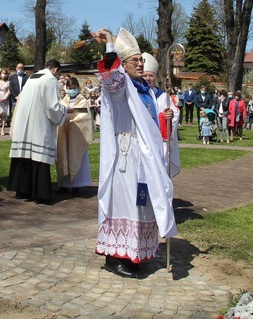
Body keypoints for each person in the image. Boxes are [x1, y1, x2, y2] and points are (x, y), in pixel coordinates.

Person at [94, 28, 176, 279]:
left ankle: (136, 253)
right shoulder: (120, 87)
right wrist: (109, 45)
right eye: (135, 60)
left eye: (141, 59)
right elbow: (110, 75)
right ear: (123, 64)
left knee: (143, 205)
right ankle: (115, 257)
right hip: (127, 156)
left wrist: (167, 117)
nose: (140, 63)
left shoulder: (147, 89)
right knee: (126, 203)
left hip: (146, 157)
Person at [7, 59, 67, 204]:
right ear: (55, 70)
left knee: (25, 156)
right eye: (59, 73)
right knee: (39, 157)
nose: (58, 76)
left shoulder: (33, 77)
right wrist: (64, 110)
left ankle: (23, 190)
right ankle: (41, 193)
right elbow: (52, 106)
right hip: (40, 124)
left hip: (25, 123)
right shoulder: (50, 79)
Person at [142, 52, 180, 178]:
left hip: (160, 142)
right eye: (145, 75)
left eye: (151, 75)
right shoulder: (137, 95)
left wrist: (169, 116)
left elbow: (175, 113)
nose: (148, 78)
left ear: (155, 77)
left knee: (160, 173)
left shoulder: (164, 97)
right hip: (143, 141)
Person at [55, 76, 94, 195]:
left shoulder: (82, 100)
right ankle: (64, 185)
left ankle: (77, 184)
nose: (72, 90)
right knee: (64, 156)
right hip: (64, 132)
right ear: (66, 88)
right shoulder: (63, 101)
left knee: (77, 157)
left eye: (74, 88)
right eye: (70, 88)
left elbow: (85, 115)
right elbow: (59, 112)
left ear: (78, 88)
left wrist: (72, 120)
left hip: (77, 135)